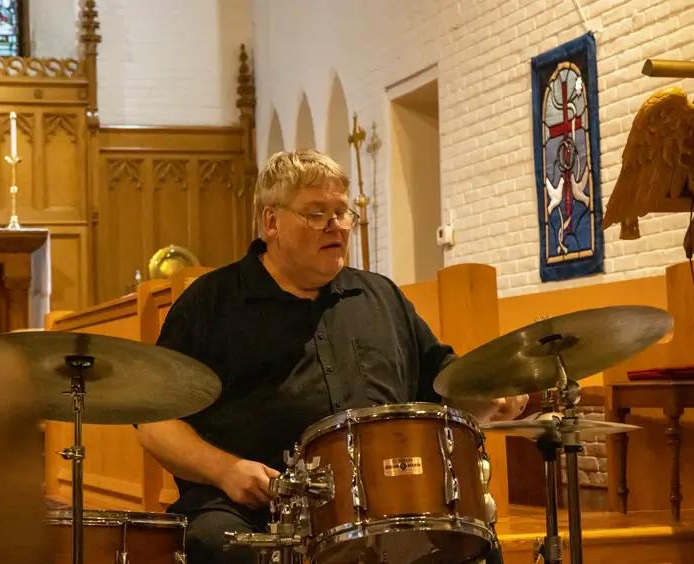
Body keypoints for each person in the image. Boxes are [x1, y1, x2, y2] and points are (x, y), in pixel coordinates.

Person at [136, 149, 528, 563]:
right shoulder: (212, 301)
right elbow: (155, 421)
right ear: (272, 222)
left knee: (472, 546)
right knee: (220, 545)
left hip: (383, 509)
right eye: (317, 214)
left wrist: (489, 395)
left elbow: (444, 385)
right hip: (253, 511)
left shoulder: (382, 296)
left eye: (342, 213)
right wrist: (225, 470)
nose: (336, 227)